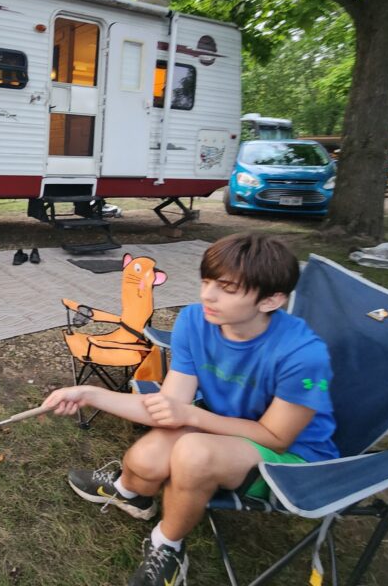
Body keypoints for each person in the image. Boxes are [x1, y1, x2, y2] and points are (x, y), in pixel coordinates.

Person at [42, 232, 337, 586]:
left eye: (227, 288)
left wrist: (193, 418)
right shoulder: (196, 321)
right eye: (207, 281)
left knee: (192, 454)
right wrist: (89, 393)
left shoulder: (303, 354)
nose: (207, 295)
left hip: (293, 459)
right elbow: (170, 405)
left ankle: (168, 545)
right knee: (144, 460)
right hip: (225, 428)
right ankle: (129, 493)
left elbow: (277, 438)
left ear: (271, 300)